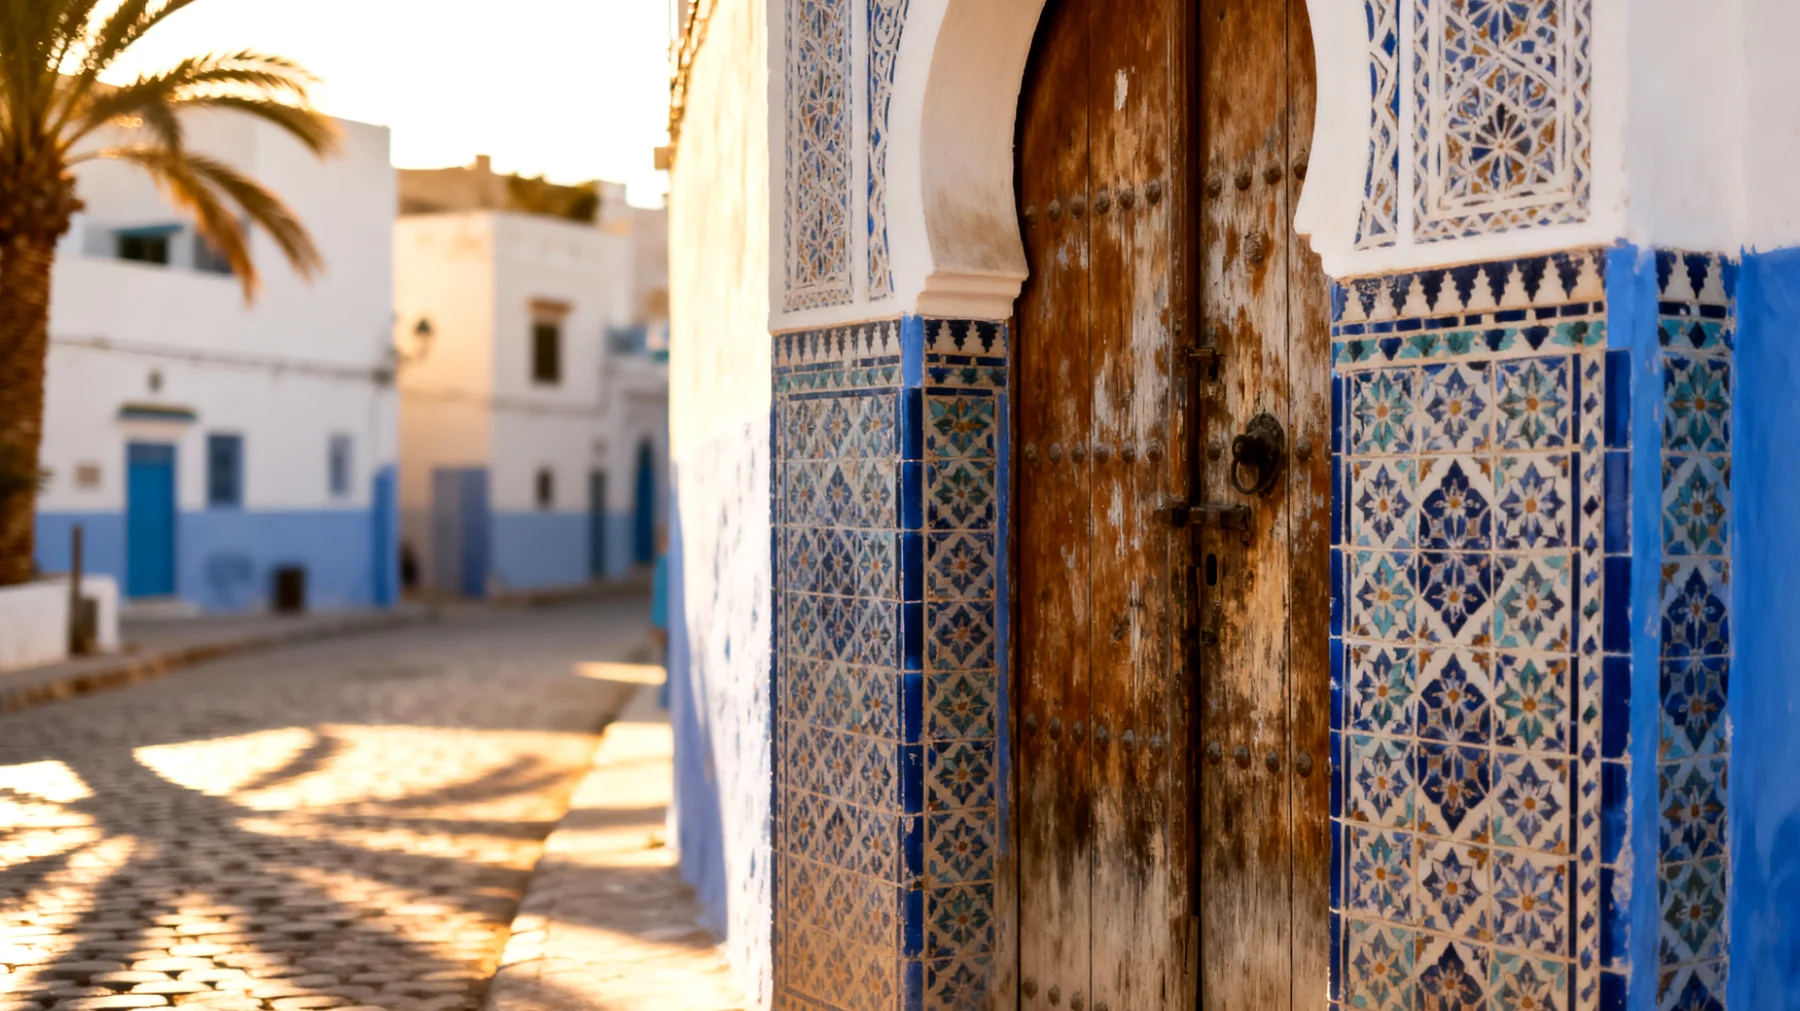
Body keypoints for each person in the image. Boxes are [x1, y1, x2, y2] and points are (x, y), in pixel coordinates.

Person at [651, 528, 670, 709]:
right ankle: (665, 700)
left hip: (665, 625)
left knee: (667, 661)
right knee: (666, 661)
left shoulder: (665, 564)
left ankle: (665, 699)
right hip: (666, 625)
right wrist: (657, 624)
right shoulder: (665, 565)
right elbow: (660, 598)